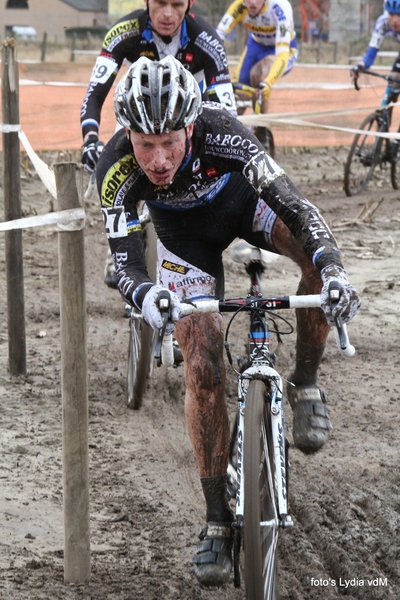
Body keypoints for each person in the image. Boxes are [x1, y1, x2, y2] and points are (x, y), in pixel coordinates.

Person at [97, 55, 360, 588]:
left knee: (313, 259)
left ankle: (306, 383)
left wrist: (333, 270)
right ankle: (217, 518)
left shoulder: (226, 133)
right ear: (128, 134)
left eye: (170, 140)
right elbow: (122, 259)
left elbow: (296, 204)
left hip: (246, 208)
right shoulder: (116, 167)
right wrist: (147, 295)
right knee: (203, 365)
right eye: (145, 144)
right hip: (184, 243)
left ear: (191, 125)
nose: (159, 158)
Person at [80, 0, 236, 289]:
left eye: (177, 4)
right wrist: (90, 137)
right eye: (160, 3)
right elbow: (95, 93)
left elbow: (227, 112)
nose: (167, 14)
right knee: (121, 156)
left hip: (188, 120)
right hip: (140, 120)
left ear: (189, 4)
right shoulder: (125, 31)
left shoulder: (206, 37)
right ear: (146, 2)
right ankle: (119, 244)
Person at [216, 0, 298, 144]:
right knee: (238, 94)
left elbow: (282, 55)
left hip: (282, 50)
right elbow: (217, 37)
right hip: (256, 45)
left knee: (259, 75)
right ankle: (228, 137)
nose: (252, 2)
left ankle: (262, 130)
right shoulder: (240, 6)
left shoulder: (280, 8)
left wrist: (268, 82)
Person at [351, 0, 400, 112]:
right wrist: (360, 65)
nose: (395, 20)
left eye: (399, 15)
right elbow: (372, 51)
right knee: (393, 81)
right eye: (391, 14)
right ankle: (384, 123)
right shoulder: (382, 23)